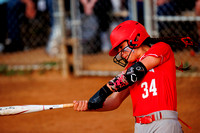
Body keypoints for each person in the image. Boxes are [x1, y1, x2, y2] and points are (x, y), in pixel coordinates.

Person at [73, 20, 195, 132]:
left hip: (163, 124)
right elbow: (115, 100)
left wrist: (103, 92)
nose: (121, 54)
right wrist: (90, 106)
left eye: (121, 47)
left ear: (135, 38)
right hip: (139, 126)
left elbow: (135, 71)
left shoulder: (161, 48)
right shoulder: (129, 68)